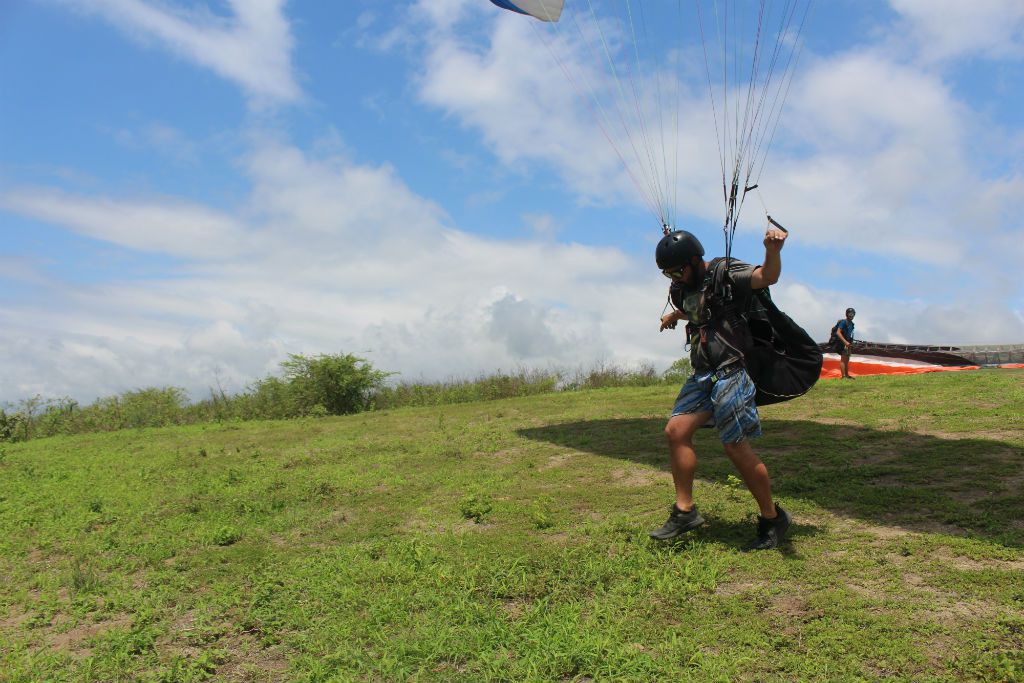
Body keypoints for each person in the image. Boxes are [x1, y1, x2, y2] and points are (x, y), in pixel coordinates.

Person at [649, 227, 791, 550]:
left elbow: (766, 277)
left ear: (696, 260)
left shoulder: (725, 272)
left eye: (676, 270)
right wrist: (676, 313)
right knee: (675, 431)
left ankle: (772, 518)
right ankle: (685, 511)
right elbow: (699, 307)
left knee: (735, 447)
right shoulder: (682, 288)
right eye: (667, 273)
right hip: (703, 373)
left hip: (732, 372)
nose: (673, 277)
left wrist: (773, 251)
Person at [833, 308, 856, 379]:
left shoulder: (852, 324)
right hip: (842, 343)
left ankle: (847, 375)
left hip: (848, 343)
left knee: (847, 359)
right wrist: (845, 342)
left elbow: (850, 334)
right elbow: (838, 332)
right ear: (847, 314)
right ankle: (843, 376)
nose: (851, 315)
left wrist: (850, 343)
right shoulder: (843, 322)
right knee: (843, 359)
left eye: (853, 314)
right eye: (850, 313)